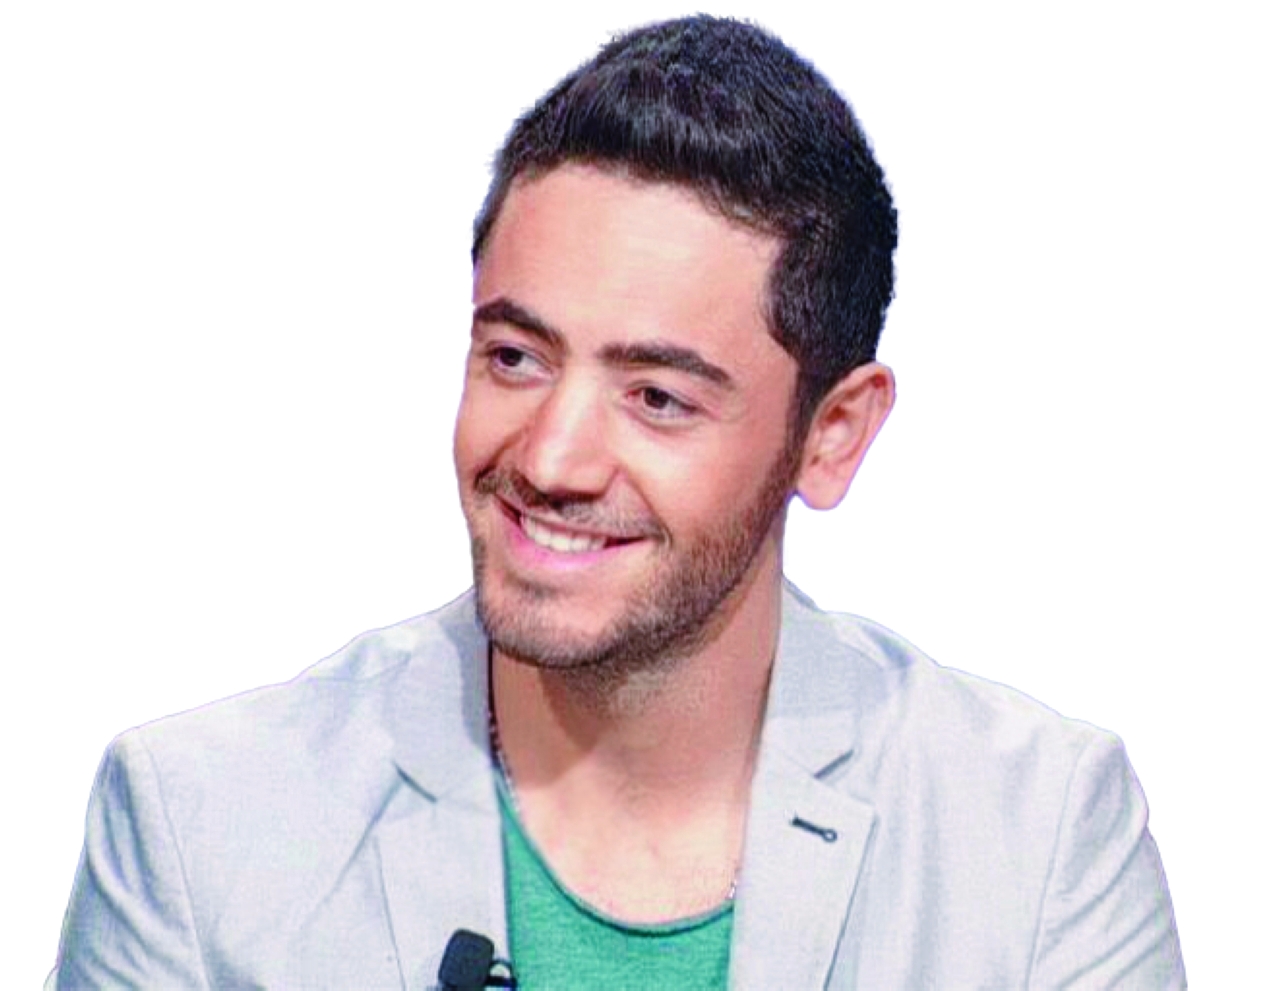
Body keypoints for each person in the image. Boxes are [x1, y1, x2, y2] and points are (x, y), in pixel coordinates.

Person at [52, 15, 1184, 989]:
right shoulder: (201, 826)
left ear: (831, 434)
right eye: (514, 357)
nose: (551, 458)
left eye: (656, 397)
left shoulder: (1038, 840)